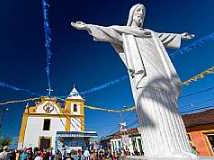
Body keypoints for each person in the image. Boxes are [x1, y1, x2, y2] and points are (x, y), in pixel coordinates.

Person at [71, 3, 196, 159]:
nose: (141, 14)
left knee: (167, 103)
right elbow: (107, 32)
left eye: (143, 12)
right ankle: (163, 150)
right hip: (144, 75)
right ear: (131, 14)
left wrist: (180, 37)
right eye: (138, 11)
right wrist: (87, 27)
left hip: (160, 70)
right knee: (152, 104)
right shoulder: (124, 33)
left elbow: (166, 37)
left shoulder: (151, 33)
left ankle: (179, 147)